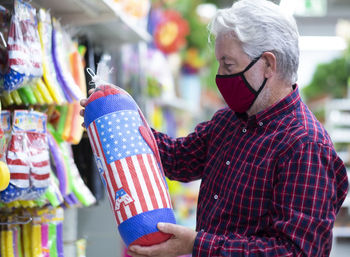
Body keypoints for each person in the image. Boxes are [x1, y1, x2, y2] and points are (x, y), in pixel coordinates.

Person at [80, 0, 349, 256]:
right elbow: (177, 158)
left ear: (268, 64)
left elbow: (296, 251)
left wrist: (197, 244)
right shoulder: (229, 122)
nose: (219, 76)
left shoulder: (305, 145)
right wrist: (113, 122)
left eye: (228, 64)